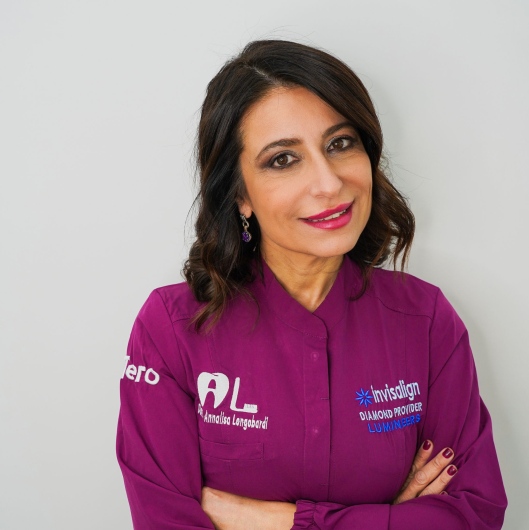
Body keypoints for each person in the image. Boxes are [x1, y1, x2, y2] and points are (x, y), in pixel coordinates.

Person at [116, 39, 507, 529]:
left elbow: (474, 515)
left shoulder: (424, 319)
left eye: (340, 143)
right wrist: (390, 520)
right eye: (283, 159)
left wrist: (281, 521)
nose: (328, 183)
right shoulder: (172, 330)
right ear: (239, 195)